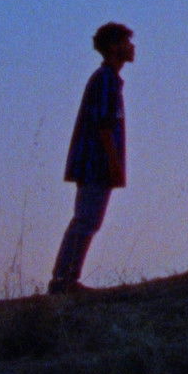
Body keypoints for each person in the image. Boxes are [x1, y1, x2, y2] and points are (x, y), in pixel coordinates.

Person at [49, 22, 135, 295]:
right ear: (113, 47)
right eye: (125, 41)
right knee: (86, 220)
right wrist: (113, 163)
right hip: (95, 164)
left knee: (88, 220)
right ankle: (64, 280)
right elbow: (103, 125)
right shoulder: (105, 80)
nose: (131, 47)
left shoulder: (110, 80)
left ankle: (66, 279)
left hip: (96, 164)